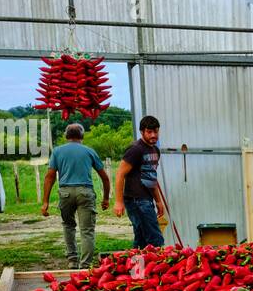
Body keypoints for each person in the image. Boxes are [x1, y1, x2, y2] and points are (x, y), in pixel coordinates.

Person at [40, 123, 110, 269]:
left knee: (68, 226)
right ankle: (85, 266)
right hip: (85, 192)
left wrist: (45, 201)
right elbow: (104, 177)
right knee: (87, 230)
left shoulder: (57, 152)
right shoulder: (89, 151)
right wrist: (105, 199)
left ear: (66, 136)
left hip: (65, 193)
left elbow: (49, 177)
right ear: (82, 136)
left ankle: (72, 261)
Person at [114, 115, 167, 249]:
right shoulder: (135, 149)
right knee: (155, 238)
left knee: (142, 239)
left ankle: (136, 267)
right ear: (142, 132)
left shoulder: (155, 150)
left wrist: (159, 201)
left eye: (156, 131)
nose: (153, 135)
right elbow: (120, 174)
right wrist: (119, 201)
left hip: (147, 198)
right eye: (149, 132)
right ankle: (158, 267)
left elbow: (151, 178)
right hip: (135, 199)